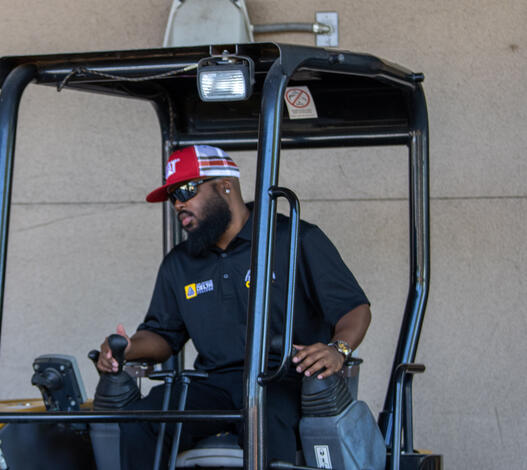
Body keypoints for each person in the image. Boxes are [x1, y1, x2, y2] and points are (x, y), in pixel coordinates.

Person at [96, 145, 372, 468]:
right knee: (142, 420)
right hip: (213, 383)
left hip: (285, 378)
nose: (178, 204)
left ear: (225, 186)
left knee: (264, 419)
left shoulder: (294, 238)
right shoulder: (179, 264)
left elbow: (355, 308)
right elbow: (161, 335)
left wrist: (337, 349)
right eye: (172, 196)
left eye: (186, 190)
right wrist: (128, 348)